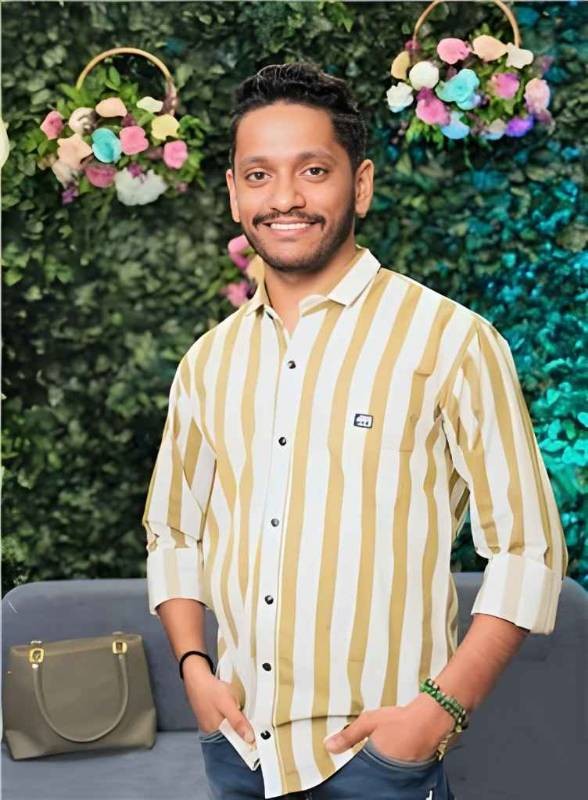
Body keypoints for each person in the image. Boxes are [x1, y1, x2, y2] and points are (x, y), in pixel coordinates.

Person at [141, 61, 569, 800]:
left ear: (361, 184)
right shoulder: (207, 363)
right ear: (234, 193)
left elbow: (528, 550)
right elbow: (173, 533)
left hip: (379, 759)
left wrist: (435, 715)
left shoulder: (451, 341)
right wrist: (194, 671)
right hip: (239, 751)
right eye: (259, 175)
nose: (285, 198)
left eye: (313, 171)